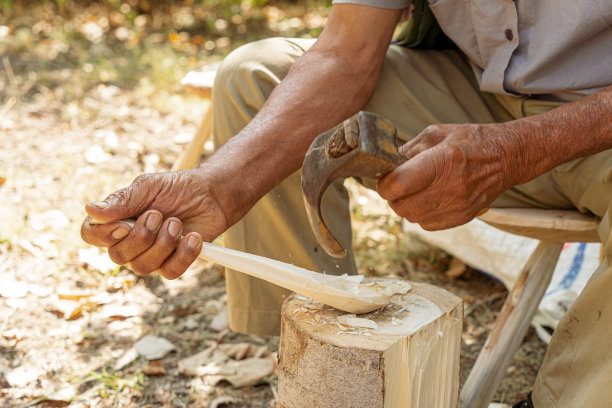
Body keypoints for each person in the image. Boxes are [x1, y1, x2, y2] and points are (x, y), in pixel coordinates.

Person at [81, 1, 612, 406]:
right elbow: (344, 53)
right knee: (257, 76)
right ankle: (318, 376)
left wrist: (517, 149)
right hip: (479, 96)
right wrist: (218, 184)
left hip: (599, 119)